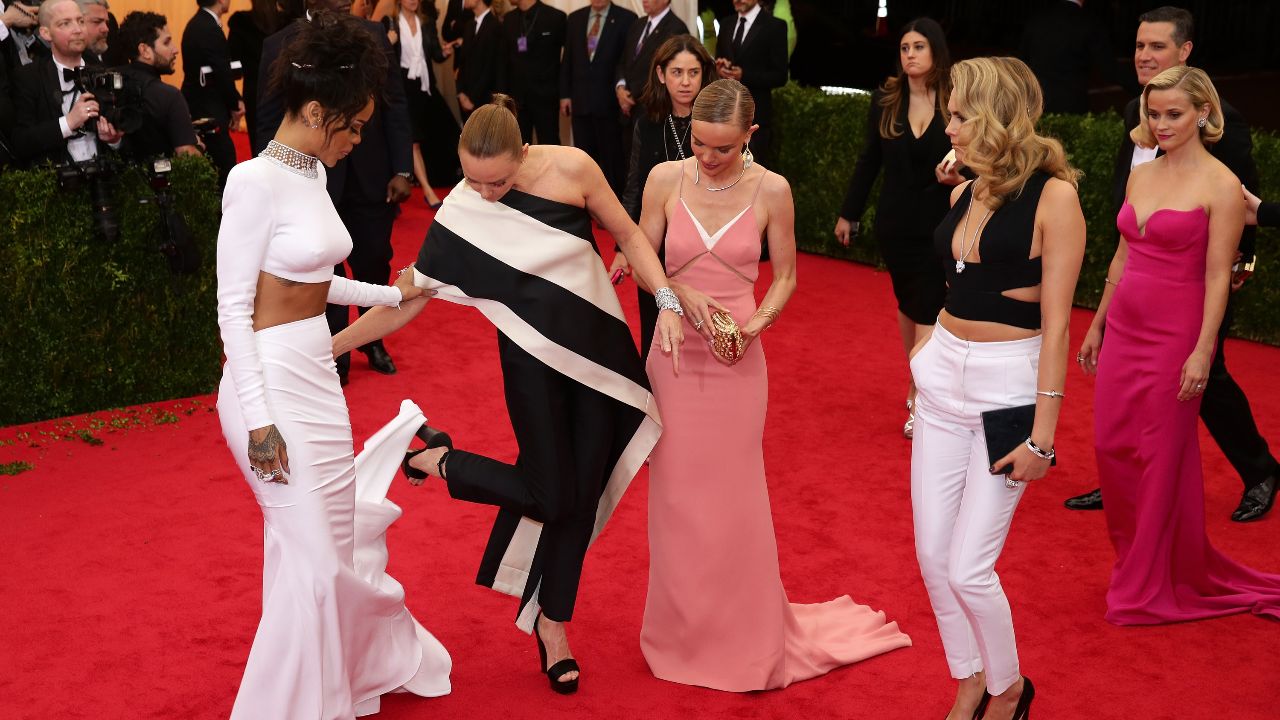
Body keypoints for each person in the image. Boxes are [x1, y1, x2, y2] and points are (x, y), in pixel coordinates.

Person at [332, 93, 687, 695]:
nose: (484, 192)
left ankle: (554, 627)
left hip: (599, 353)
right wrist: (330, 348)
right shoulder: (464, 208)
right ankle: (437, 460)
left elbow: (627, 233)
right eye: (472, 179)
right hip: (529, 363)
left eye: (496, 181)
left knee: (579, 499)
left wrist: (668, 303)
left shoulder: (574, 169)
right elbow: (407, 298)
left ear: (524, 152)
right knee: (550, 493)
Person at [636, 77, 912, 692]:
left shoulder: (773, 190)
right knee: (676, 502)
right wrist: (675, 295)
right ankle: (682, 633)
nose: (708, 158)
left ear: (749, 137)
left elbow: (785, 276)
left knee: (735, 504)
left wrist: (754, 326)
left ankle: (743, 636)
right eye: (700, 144)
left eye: (724, 148)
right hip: (675, 355)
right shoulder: (663, 179)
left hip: (737, 361)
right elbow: (641, 253)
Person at [214, 13, 451, 717]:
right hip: (268, 386)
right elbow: (233, 308)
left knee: (320, 556)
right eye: (350, 128)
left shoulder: (312, 172)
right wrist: (259, 423)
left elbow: (314, 279)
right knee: (317, 568)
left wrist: (390, 292)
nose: (357, 141)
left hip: (317, 379)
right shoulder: (252, 181)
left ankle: (330, 686)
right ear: (316, 111)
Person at [1078, 65, 1280, 626]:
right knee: (1113, 448)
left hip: (1177, 334)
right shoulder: (1143, 175)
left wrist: (1202, 350)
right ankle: (1137, 560)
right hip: (1125, 329)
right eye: (1155, 113)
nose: (1162, 124)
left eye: (1174, 114)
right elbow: (1121, 256)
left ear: (1203, 113)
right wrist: (1097, 323)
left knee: (1161, 456)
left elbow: (1219, 276)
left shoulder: (1220, 184)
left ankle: (1145, 583)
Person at [914, 56, 1084, 720]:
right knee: (932, 557)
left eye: (959, 115)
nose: (949, 126)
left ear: (994, 116)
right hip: (940, 381)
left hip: (1007, 392)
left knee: (968, 570)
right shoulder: (965, 189)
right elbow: (956, 278)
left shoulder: (1056, 197)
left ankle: (1008, 688)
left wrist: (1043, 440)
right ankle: (968, 677)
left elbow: (1059, 323)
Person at [1063, 6, 1279, 523]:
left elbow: (1241, 203)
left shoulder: (1223, 122)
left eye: (1156, 46)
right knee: (1137, 388)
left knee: (1206, 376)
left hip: (1197, 277)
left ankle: (1260, 470)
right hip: (1141, 263)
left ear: (1184, 52)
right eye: (1138, 46)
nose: (1143, 55)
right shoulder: (1134, 113)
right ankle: (1128, 477)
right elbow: (1129, 190)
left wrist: (1237, 267)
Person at [257, 0, 415, 384]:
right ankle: (335, 349)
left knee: (374, 255)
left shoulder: (373, 36)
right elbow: (266, 116)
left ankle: (372, 338)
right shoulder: (280, 44)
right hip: (308, 176)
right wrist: (274, 178)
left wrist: (402, 167)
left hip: (371, 172)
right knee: (321, 264)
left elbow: (394, 105)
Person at [834, 17, 954, 440]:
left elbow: (977, 156)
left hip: (943, 223)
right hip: (896, 223)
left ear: (936, 51)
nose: (910, 55)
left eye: (918, 46)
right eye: (904, 48)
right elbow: (869, 160)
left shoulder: (956, 101)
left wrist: (961, 175)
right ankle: (918, 379)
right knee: (909, 305)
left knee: (928, 304)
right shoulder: (886, 99)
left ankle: (921, 398)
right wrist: (849, 212)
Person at [611, 34, 713, 352]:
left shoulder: (717, 123)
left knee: (703, 338)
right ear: (661, 75)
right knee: (656, 340)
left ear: (704, 75)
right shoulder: (648, 123)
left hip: (706, 245)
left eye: (693, 73)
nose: (685, 82)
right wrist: (622, 247)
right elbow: (634, 187)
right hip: (657, 245)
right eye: (676, 72)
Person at [11, 0, 123, 166]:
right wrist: (68, 123)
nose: (77, 30)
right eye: (65, 24)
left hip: (103, 182)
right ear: (46, 33)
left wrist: (114, 140)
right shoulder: (29, 77)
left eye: (81, 21)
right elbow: (21, 142)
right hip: (54, 184)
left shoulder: (104, 73)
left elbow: (128, 143)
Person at [380, 0, 459, 207]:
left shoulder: (426, 22)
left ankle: (412, 180)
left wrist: (444, 53)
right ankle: (428, 190)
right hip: (400, 86)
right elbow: (379, 56)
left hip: (422, 88)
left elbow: (434, 53)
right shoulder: (390, 22)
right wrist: (388, 42)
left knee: (422, 138)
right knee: (412, 141)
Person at [559, 0, 636, 193]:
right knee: (583, 159)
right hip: (580, 102)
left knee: (612, 161)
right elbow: (567, 59)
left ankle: (613, 207)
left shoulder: (627, 19)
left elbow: (627, 61)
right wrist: (565, 95)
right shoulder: (575, 19)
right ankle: (585, 203)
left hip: (610, 104)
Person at [115, 11, 199, 160]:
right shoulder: (169, 95)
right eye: (166, 42)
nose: (175, 49)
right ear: (145, 51)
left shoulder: (110, 82)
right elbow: (187, 156)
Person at [712, 0, 787, 168]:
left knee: (752, 173)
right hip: (724, 113)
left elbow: (780, 76)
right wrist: (720, 68)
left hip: (756, 116)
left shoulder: (775, 26)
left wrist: (744, 75)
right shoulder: (725, 24)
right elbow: (720, 59)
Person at [1018, 0, 1127, 114]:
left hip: (1035, 104)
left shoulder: (1036, 20)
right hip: (1072, 107)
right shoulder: (1089, 22)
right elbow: (1109, 70)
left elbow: (1021, 66)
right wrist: (1141, 87)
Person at [614, 0, 686, 161]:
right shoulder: (638, 24)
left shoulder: (676, 28)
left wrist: (632, 95)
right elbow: (623, 61)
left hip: (652, 108)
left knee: (648, 163)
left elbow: (662, 71)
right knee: (628, 162)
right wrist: (620, 88)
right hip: (627, 111)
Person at [181, 0, 243, 186]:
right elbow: (222, 71)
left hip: (202, 102)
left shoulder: (200, 23)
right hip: (207, 107)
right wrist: (235, 103)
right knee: (223, 164)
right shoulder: (207, 27)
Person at [500, 0, 564, 145]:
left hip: (546, 97)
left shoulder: (556, 17)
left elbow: (568, 60)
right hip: (517, 100)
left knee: (550, 146)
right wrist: (503, 98)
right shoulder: (508, 19)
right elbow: (503, 61)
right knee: (518, 148)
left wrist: (565, 93)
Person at [227, 0, 281, 155]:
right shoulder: (285, 22)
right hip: (283, 88)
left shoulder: (241, 22)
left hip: (254, 90)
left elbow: (232, 59)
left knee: (259, 142)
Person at [454, 0, 501, 121]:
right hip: (466, 99)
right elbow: (462, 63)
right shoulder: (470, 25)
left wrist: (472, 99)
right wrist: (461, 93)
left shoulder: (495, 26)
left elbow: (491, 69)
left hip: (485, 102)